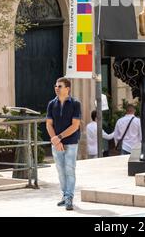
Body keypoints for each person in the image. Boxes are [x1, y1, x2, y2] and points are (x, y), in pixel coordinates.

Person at [46, 77, 81, 211]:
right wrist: (55, 139)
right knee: (61, 171)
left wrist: (58, 137)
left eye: (60, 86)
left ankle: (69, 197)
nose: (57, 88)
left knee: (70, 170)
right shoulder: (51, 104)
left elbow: (75, 125)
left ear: (67, 88)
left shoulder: (75, 103)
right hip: (56, 143)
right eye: (56, 86)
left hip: (71, 143)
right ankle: (65, 195)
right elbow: (49, 124)